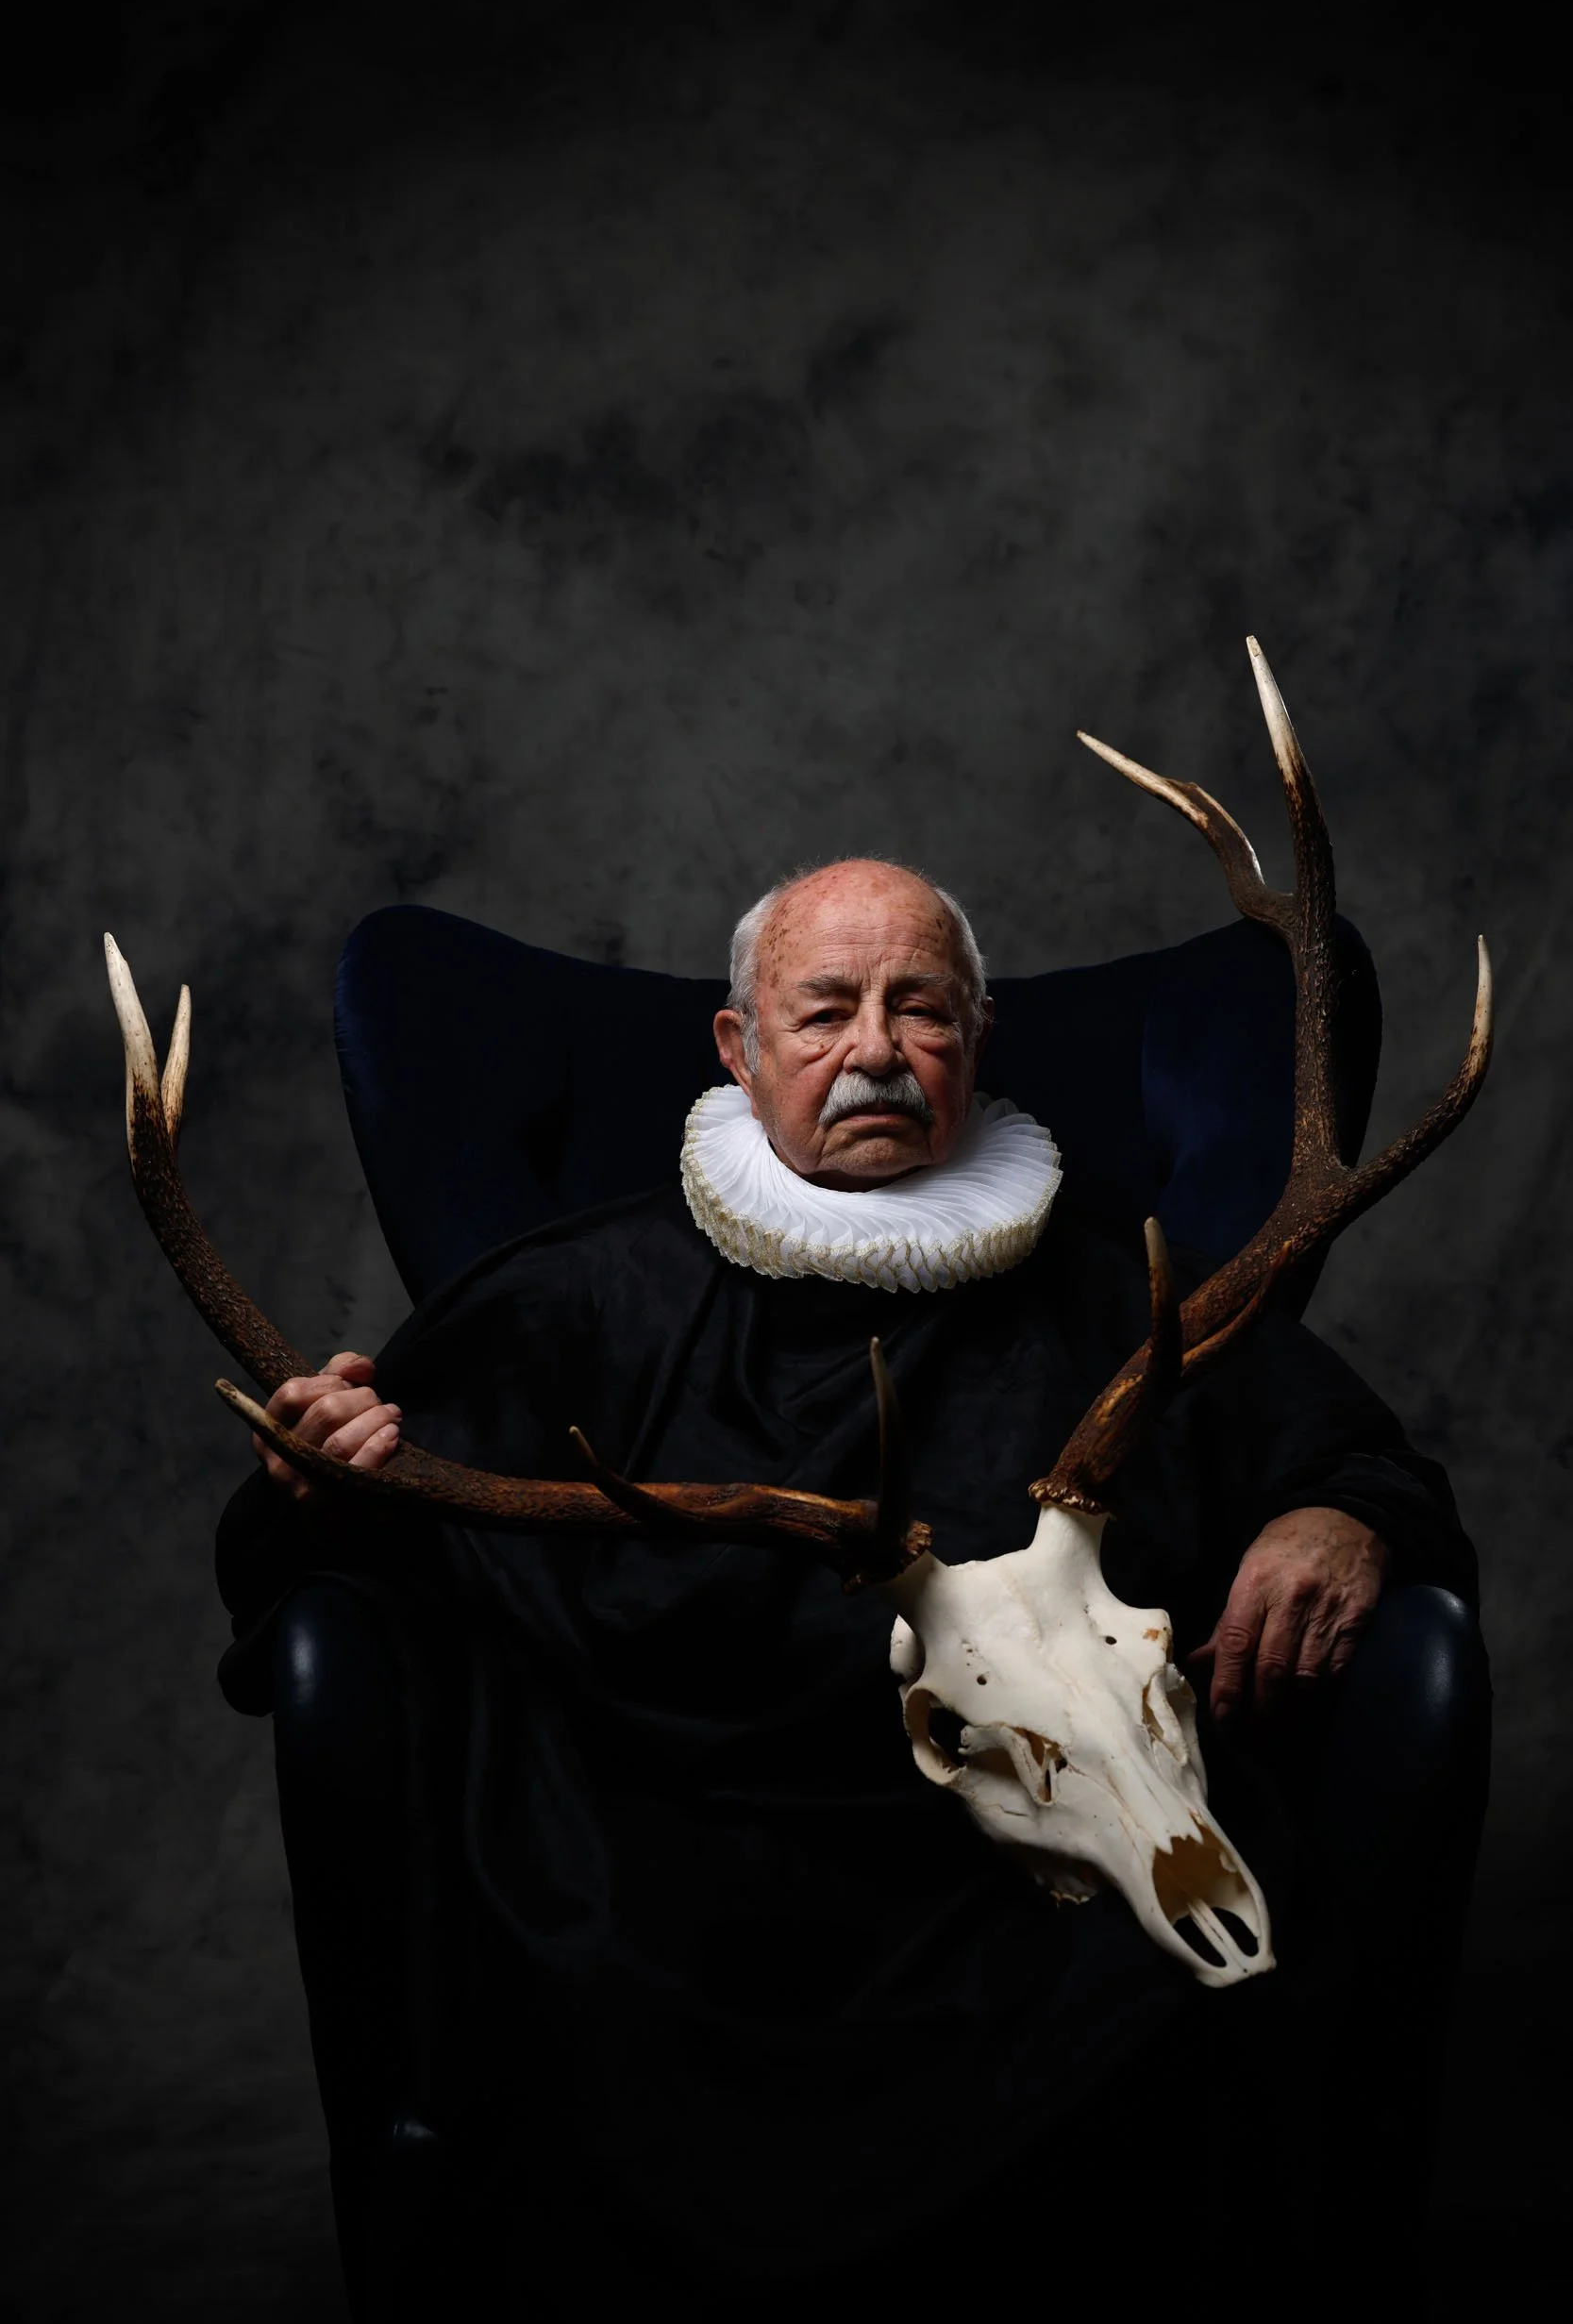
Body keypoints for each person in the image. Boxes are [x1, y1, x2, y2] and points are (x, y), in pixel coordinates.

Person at [216, 861, 1478, 2313]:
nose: (874, 1050)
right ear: (737, 1050)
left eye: (920, 1010)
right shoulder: (570, 1297)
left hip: (1038, 1873)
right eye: (822, 1014)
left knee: (1177, 2000)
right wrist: (316, 1481)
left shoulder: (1127, 1293)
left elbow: (1361, 1459)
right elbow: (342, 1545)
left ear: (975, 1041)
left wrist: (1333, 1512)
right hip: (648, 1860)